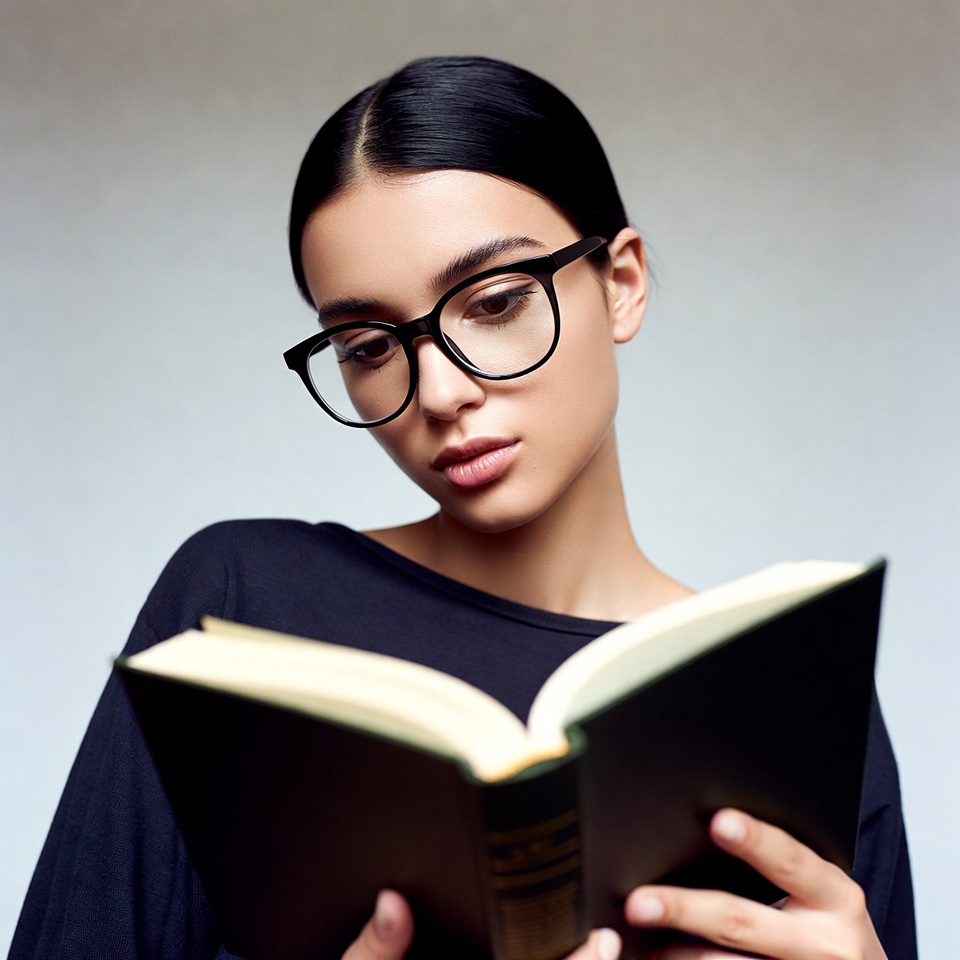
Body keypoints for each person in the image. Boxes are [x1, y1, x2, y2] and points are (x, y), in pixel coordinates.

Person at [10, 56, 915, 960]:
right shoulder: (242, 608)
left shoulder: (796, 696)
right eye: (368, 347)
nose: (439, 392)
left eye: (494, 303)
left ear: (623, 282)